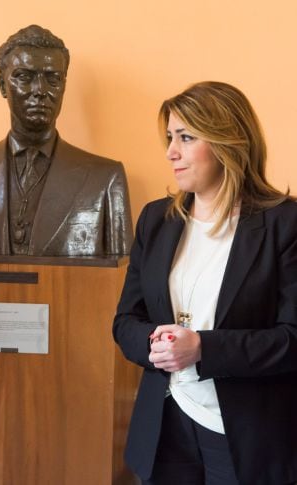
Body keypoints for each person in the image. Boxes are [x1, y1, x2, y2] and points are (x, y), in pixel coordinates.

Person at [113, 81, 297, 485]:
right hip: (164, 427)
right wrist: (154, 344)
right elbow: (126, 320)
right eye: (169, 138)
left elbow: (291, 339)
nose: (170, 152)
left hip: (245, 437)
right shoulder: (155, 220)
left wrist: (202, 348)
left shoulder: (284, 223)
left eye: (186, 137)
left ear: (227, 142)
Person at [0, 24, 132, 256]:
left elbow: (123, 282)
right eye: (24, 77)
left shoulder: (105, 178)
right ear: (1, 85)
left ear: (64, 85)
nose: (40, 90)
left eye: (53, 78)